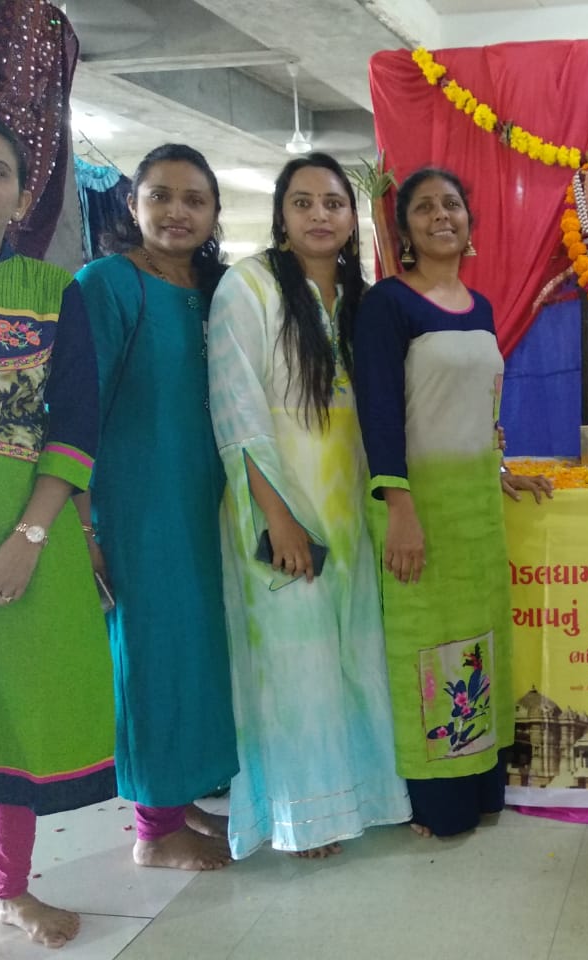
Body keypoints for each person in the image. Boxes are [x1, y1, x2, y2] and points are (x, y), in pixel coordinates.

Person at [207, 153, 410, 859]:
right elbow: (238, 414)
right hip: (282, 510)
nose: (320, 215)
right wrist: (279, 518)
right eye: (303, 202)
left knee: (355, 656)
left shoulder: (362, 299)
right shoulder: (249, 287)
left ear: (352, 218)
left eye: (333, 203)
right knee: (295, 668)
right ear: (281, 215)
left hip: (351, 511)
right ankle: (303, 818)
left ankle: (365, 797)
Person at [0, 110, 115, 947]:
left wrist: (31, 538)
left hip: (22, 534)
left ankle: (9, 889)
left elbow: (75, 422)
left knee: (18, 711)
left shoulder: (54, 294)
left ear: (21, 199)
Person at [355, 166, 551, 838]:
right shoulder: (388, 305)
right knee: (428, 646)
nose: (441, 215)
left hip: (476, 511)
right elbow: (381, 414)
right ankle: (436, 796)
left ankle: (480, 781)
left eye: (452, 204)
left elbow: (475, 409)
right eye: (424, 207)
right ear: (405, 229)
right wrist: (399, 509)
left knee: (476, 646)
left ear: (469, 221)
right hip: (419, 509)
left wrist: (499, 470)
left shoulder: (483, 306)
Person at [74, 144, 238, 871]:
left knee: (201, 649)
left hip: (208, 499)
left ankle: (180, 795)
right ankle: (153, 828)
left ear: (213, 212)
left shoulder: (218, 290)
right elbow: (76, 410)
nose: (176, 212)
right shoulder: (106, 284)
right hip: (139, 503)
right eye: (160, 196)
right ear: (132, 204)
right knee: (152, 654)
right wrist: (84, 522)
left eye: (194, 199)